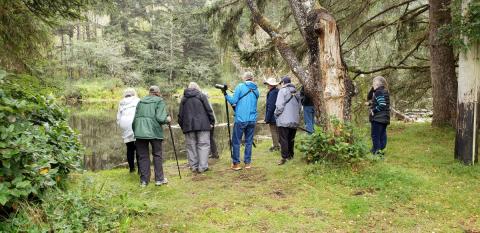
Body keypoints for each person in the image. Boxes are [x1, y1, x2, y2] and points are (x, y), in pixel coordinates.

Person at [132, 86, 171, 187]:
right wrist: (167, 119)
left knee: (143, 156)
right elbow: (160, 118)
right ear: (158, 92)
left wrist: (135, 130)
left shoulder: (140, 101)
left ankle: (144, 181)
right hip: (154, 131)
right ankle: (159, 180)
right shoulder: (159, 101)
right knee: (157, 154)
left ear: (149, 92)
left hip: (139, 131)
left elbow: (135, 118)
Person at [224, 71, 260, 170]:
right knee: (249, 142)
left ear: (244, 78)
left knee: (236, 141)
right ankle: (247, 163)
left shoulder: (240, 86)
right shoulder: (257, 89)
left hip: (241, 119)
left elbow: (233, 101)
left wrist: (225, 94)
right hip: (252, 120)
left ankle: (236, 164)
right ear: (252, 79)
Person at [178, 82, 215, 173]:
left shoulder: (184, 99)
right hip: (203, 125)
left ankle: (194, 167)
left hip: (188, 126)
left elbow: (180, 115)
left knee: (191, 146)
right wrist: (212, 122)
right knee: (203, 145)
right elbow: (209, 110)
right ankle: (202, 167)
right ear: (197, 88)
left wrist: (182, 126)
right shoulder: (202, 96)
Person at [275, 76, 301, 165]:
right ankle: (291, 155)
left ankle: (284, 157)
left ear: (283, 83)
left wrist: (276, 114)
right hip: (294, 119)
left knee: (283, 139)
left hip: (284, 119)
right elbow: (299, 107)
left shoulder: (282, 91)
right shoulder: (297, 92)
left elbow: (279, 105)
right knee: (291, 138)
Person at [116, 88, 140, 173]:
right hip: (135, 123)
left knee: (129, 147)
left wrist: (121, 125)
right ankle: (140, 169)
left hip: (124, 124)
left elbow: (118, 116)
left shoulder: (121, 102)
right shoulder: (137, 100)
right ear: (134, 93)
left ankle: (132, 169)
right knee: (138, 147)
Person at [369, 76, 390, 156]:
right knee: (382, 135)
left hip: (378, 118)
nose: (372, 85)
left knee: (375, 136)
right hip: (385, 118)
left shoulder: (378, 92)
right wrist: (370, 104)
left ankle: (376, 153)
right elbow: (381, 101)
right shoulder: (384, 91)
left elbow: (382, 104)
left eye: (373, 83)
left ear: (377, 84)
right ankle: (381, 151)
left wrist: (373, 110)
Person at [263, 77, 280, 152]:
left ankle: (276, 146)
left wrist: (267, 118)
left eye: (268, 84)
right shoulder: (277, 91)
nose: (267, 86)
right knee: (277, 130)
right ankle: (278, 145)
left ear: (271, 85)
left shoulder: (272, 93)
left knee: (273, 130)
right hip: (278, 114)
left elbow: (271, 106)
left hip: (273, 115)